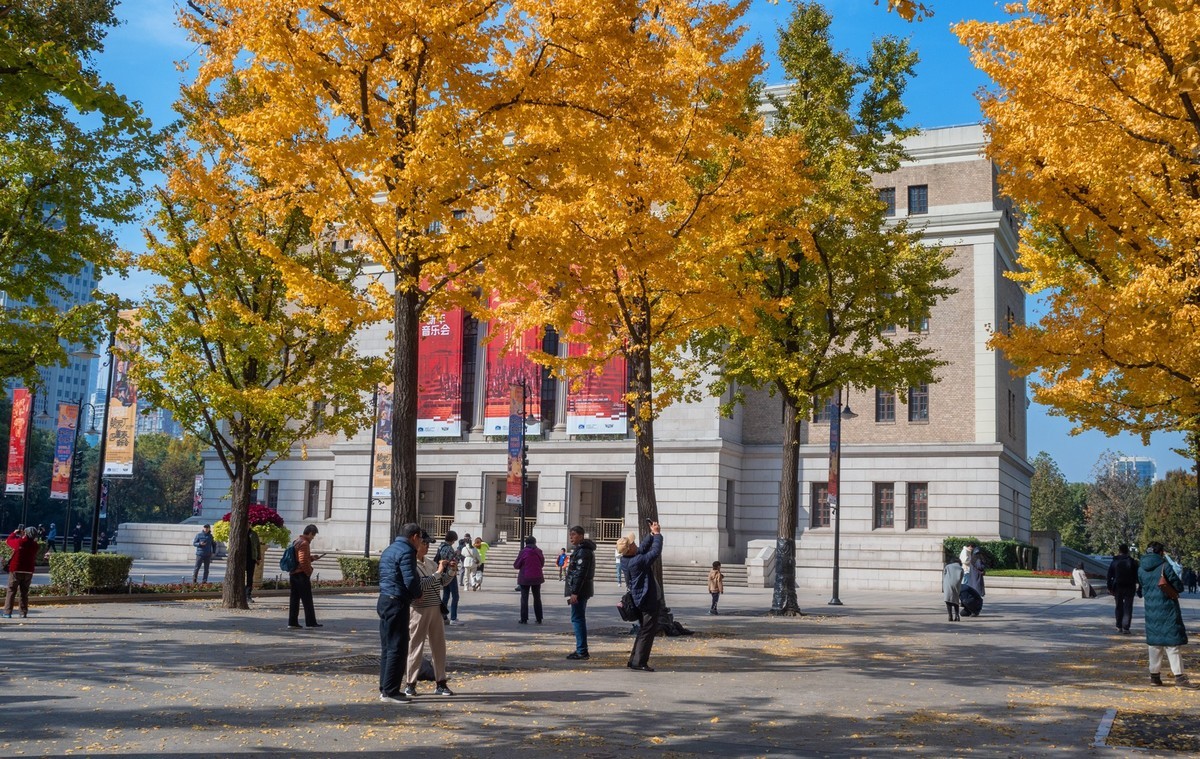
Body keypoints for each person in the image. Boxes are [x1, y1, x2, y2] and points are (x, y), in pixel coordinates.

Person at [1137, 541, 1196, 688]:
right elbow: (1179, 586)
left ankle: (1154, 677)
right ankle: (1180, 678)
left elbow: (1142, 588)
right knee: (1172, 644)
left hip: (1150, 609)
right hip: (1167, 608)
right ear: (1160, 552)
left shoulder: (1141, 569)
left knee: (1155, 643)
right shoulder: (1164, 565)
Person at [406, 531, 455, 697]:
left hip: (435, 608)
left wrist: (450, 572)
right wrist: (438, 572)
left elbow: (440, 583)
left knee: (439, 647)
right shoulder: (411, 564)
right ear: (416, 544)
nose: (427, 546)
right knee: (415, 646)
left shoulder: (430, 563)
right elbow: (420, 586)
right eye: (424, 543)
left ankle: (440, 682)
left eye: (428, 544)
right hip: (419, 610)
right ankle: (410, 683)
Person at [378, 522, 423, 703]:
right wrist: (417, 593)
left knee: (388, 646)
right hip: (397, 600)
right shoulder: (407, 551)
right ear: (414, 536)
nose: (420, 542)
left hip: (385, 598)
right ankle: (391, 691)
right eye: (420, 538)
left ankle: (385, 687)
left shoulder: (390, 549)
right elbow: (410, 578)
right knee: (398, 646)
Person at [619, 521, 663, 672]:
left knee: (644, 629)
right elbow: (655, 552)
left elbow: (642, 548)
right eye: (633, 543)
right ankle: (639, 662)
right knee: (647, 631)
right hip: (646, 599)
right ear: (630, 548)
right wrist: (657, 535)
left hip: (639, 599)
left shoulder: (627, 559)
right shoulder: (637, 561)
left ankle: (634, 659)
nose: (636, 544)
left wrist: (651, 534)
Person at [564, 525, 596, 660]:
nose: (571, 537)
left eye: (574, 535)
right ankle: (581, 649)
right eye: (570, 535)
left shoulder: (583, 552)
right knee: (578, 618)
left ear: (581, 536)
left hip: (580, 590)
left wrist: (575, 592)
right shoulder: (581, 550)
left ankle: (582, 650)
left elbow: (580, 573)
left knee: (577, 619)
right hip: (581, 589)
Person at [287, 525, 324, 629]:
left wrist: (312, 558)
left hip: (293, 573)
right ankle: (311, 622)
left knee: (294, 599)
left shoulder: (297, 541)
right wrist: (308, 572)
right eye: (313, 535)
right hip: (301, 575)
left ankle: (292, 622)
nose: (313, 538)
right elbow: (302, 560)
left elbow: (301, 557)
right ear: (310, 533)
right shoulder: (304, 543)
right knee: (307, 599)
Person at [3, 527, 40, 618]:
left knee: (11, 590)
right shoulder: (35, 545)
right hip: (28, 571)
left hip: (16, 569)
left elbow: (8, 541)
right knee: (24, 592)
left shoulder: (20, 542)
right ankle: (23, 612)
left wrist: (14, 533)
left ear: (26, 533)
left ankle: (7, 612)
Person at [1107, 543, 1139, 635]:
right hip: (1130, 586)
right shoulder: (1132, 561)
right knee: (1128, 607)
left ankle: (1118, 626)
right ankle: (1126, 627)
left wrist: (1109, 587)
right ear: (1127, 551)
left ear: (1119, 551)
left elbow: (1109, 575)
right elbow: (1137, 575)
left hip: (1118, 586)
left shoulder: (1114, 561)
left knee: (1118, 606)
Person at [514, 535, 546, 624]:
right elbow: (542, 563)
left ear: (526, 543)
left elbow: (516, 565)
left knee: (524, 598)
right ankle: (539, 618)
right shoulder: (539, 551)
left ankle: (524, 618)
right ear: (535, 543)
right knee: (537, 598)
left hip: (525, 577)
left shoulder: (523, 552)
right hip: (537, 577)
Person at [436, 531, 462, 625]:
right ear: (453, 539)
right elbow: (453, 562)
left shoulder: (441, 546)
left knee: (446, 596)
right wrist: (458, 554)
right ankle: (453, 618)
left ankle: (443, 616)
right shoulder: (449, 548)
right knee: (455, 596)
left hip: (443, 573)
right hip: (450, 574)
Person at [943, 557, 964, 621]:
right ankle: (957, 616)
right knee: (955, 599)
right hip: (956, 584)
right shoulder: (961, 568)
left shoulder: (947, 566)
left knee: (948, 599)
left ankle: (950, 616)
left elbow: (944, 574)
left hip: (948, 583)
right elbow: (961, 578)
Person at [245, 528, 261, 604]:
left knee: (250, 578)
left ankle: (248, 595)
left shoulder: (254, 534)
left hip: (251, 558)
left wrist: (258, 557)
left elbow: (258, 545)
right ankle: (241, 593)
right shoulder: (240, 531)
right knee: (240, 578)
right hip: (241, 559)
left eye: (249, 523)